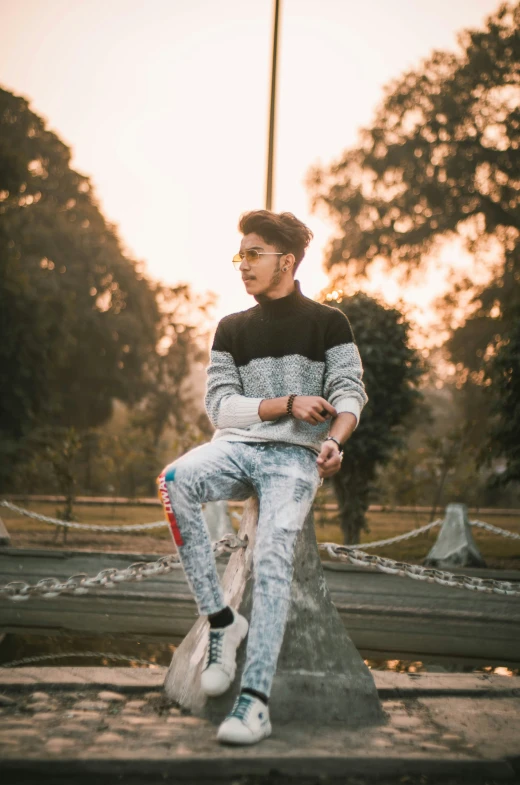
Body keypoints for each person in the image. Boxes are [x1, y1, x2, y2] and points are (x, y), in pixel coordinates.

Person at [157, 210, 368, 745]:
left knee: (274, 553)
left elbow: (349, 392)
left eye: (255, 254)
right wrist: (287, 403)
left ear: (287, 261)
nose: (243, 265)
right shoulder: (231, 328)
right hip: (234, 447)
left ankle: (255, 702)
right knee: (174, 479)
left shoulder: (329, 322)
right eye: (240, 255)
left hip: (295, 460)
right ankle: (223, 621)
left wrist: (334, 441)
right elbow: (221, 409)